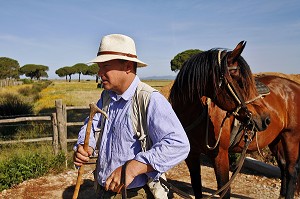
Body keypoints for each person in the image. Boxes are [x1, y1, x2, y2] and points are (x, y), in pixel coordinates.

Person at [73, 33, 190, 199]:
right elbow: (92, 125)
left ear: (128, 66)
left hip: (133, 193)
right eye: (99, 67)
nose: (99, 73)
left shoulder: (149, 99)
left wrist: (134, 167)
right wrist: (84, 147)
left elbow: (178, 144)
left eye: (105, 66)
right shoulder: (107, 96)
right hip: (101, 189)